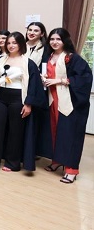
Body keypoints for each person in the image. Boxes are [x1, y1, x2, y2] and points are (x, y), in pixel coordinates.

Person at [0, 31, 46, 172]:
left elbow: (34, 85)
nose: (11, 45)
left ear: (21, 44)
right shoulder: (0, 60)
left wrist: (28, 104)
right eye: (8, 43)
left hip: (18, 98)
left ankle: (12, 163)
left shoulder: (28, 63)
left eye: (14, 43)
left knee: (15, 131)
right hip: (1, 96)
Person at [42, 28, 93, 183]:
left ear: (65, 41)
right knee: (54, 131)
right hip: (52, 100)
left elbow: (85, 78)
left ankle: (71, 169)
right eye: (52, 39)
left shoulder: (72, 58)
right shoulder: (49, 56)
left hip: (69, 101)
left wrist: (60, 80)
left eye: (58, 39)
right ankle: (57, 160)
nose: (54, 42)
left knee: (70, 134)